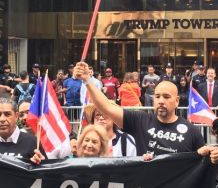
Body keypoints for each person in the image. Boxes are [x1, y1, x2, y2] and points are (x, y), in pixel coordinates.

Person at [74, 61, 205, 156]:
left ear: (176, 101)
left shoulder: (192, 132)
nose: (161, 101)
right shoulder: (140, 120)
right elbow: (106, 106)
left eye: (166, 97)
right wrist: (87, 81)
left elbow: (202, 164)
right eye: (157, 96)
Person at [0, 97, 46, 162]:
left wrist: (41, 164)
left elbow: (47, 172)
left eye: (7, 114)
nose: (2, 119)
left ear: (16, 116)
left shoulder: (33, 143)